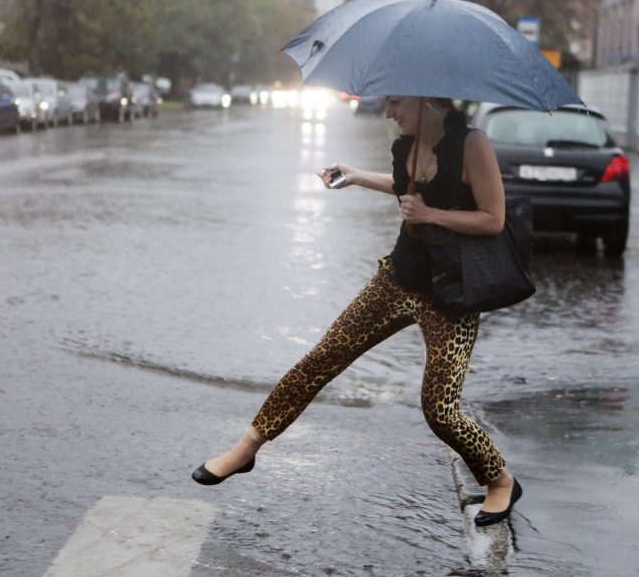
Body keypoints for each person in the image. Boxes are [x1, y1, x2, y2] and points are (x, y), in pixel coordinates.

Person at [193, 96, 522, 526]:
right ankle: (247, 448)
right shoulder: (407, 143)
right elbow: (404, 184)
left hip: (450, 293)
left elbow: (493, 219)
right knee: (323, 357)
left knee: (440, 408)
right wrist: (356, 176)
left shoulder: (472, 144)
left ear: (423, 100)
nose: (388, 113)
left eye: (395, 103)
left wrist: (430, 214)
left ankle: (500, 481)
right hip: (398, 277)